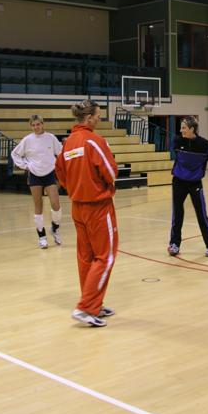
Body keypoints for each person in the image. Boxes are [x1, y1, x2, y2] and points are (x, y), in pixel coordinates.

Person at [55, 100, 118, 327]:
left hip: (78, 207)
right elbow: (111, 172)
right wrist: (103, 186)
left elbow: (60, 173)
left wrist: (75, 188)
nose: (100, 118)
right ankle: (86, 308)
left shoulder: (68, 143)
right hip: (98, 207)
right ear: (89, 117)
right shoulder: (94, 141)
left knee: (86, 258)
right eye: (98, 115)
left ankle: (93, 304)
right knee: (105, 256)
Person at [167, 116, 208, 258]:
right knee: (177, 214)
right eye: (181, 127)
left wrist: (202, 161)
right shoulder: (177, 141)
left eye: (184, 127)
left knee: (201, 214)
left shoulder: (204, 144)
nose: (181, 130)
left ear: (192, 129)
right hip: (178, 182)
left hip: (195, 183)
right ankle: (174, 244)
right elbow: (175, 152)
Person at [11, 115, 63, 249]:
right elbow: (15, 154)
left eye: (38, 124)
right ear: (31, 126)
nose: (36, 127)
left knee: (56, 204)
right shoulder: (27, 140)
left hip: (50, 174)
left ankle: (55, 228)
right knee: (38, 206)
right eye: (33, 125)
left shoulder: (51, 138)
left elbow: (61, 152)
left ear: (42, 124)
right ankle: (42, 237)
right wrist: (25, 166)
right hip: (34, 175)